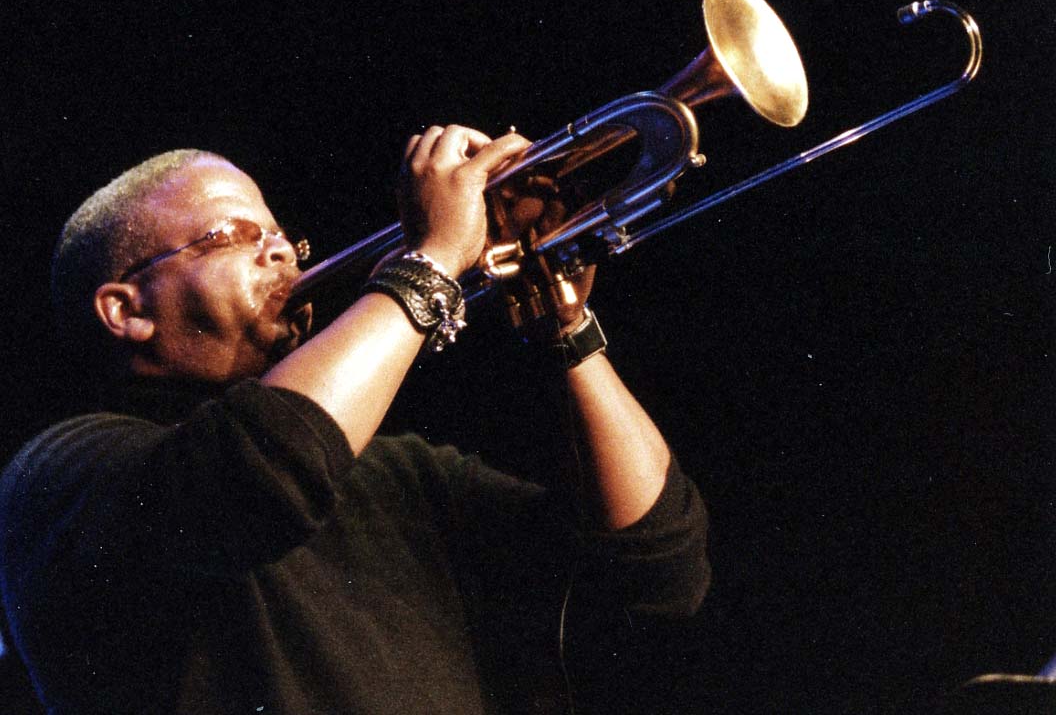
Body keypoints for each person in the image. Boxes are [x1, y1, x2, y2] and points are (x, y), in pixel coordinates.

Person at [0, 127, 710, 714]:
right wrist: (431, 261)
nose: (277, 250)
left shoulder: (399, 471)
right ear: (127, 311)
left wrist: (567, 327)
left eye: (280, 237)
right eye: (230, 236)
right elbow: (263, 468)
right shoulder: (65, 471)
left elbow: (658, 564)